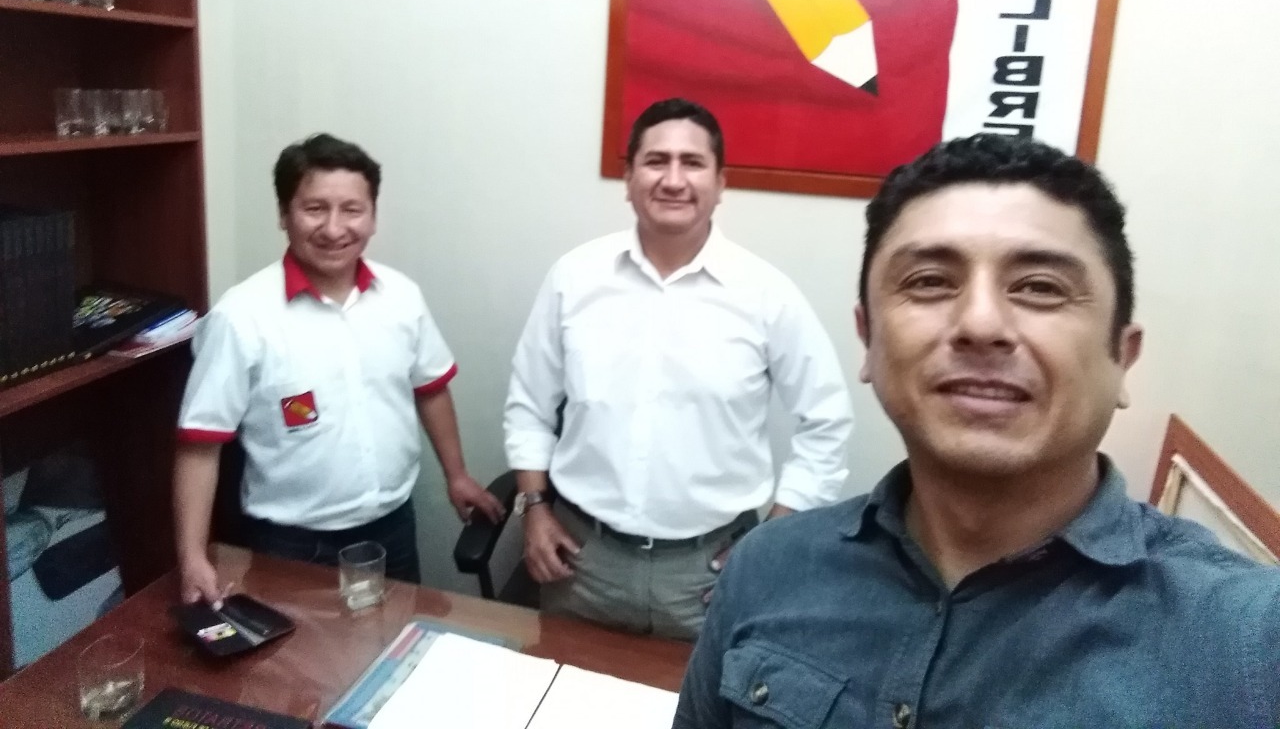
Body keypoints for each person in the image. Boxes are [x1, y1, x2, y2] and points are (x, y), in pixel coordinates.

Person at [675, 133, 1280, 726]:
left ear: (1122, 356)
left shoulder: (1247, 645)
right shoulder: (768, 568)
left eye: (1040, 287)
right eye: (929, 282)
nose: (981, 324)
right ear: (868, 339)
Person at [503, 98, 854, 640]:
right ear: (628, 179)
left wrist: (770, 541)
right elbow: (529, 405)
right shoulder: (573, 279)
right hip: (581, 564)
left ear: (720, 182)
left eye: (692, 163)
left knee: (705, 695)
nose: (673, 180)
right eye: (655, 161)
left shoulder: (767, 295)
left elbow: (827, 422)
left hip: (710, 575)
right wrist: (532, 508)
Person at [173, 133, 502, 605]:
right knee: (300, 656)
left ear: (372, 217)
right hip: (290, 545)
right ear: (284, 214)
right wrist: (192, 556)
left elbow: (430, 388)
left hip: (392, 530)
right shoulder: (241, 317)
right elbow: (200, 445)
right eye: (314, 209)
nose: (333, 228)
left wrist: (457, 474)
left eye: (352, 210)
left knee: (394, 643)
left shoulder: (401, 297)